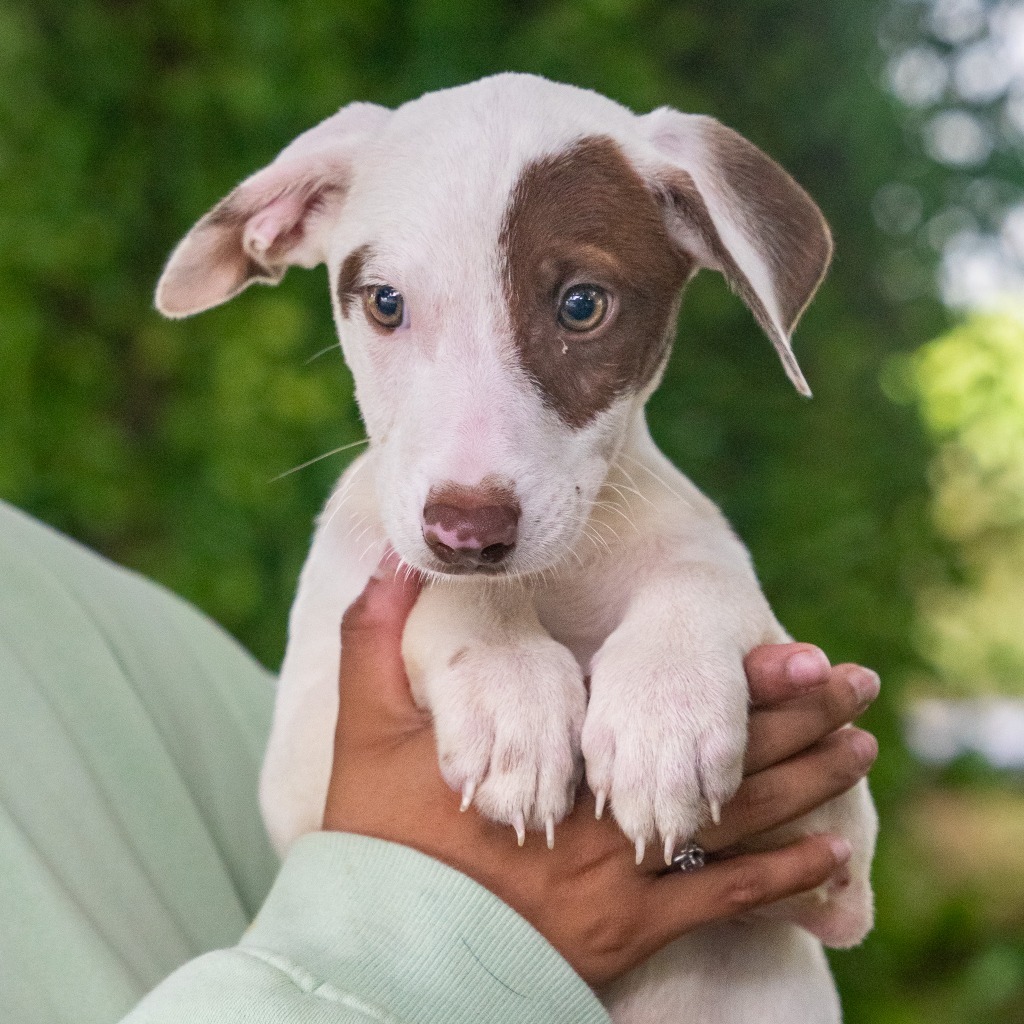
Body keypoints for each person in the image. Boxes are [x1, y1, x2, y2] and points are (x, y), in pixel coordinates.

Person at [0, 500, 878, 1023]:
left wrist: (714, 819)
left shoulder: (54, 601)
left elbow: (829, 889)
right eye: (389, 307)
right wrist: (440, 943)